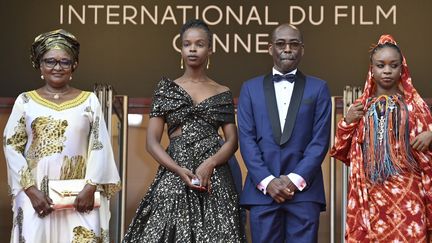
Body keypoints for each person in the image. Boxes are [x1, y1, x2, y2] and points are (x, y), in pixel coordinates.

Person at [122, 19, 245, 242]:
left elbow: (232, 141)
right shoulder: (166, 89)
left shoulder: (223, 91)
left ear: (210, 49)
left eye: (199, 44)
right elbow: (151, 142)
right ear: (181, 49)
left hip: (215, 176)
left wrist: (210, 163)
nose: (193, 49)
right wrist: (178, 170)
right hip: (175, 170)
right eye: (187, 44)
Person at [3, 29, 121, 242]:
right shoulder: (25, 101)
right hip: (36, 199)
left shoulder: (89, 101)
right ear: (40, 65)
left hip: (80, 199)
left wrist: (90, 187)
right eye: (50, 61)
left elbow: (100, 145)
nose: (57, 67)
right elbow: (11, 146)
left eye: (64, 62)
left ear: (74, 65)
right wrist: (30, 190)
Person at [330, 34, 432, 242]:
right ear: (372, 69)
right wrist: (347, 122)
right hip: (370, 192)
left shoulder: (416, 105)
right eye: (380, 65)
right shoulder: (361, 107)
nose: (387, 70)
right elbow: (340, 150)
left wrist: (431, 135)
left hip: (409, 191)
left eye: (393, 65)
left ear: (402, 69)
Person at [237, 23, 332, 242]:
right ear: (270, 48)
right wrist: (268, 181)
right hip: (262, 192)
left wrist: (294, 179)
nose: (287, 48)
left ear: (302, 49)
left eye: (293, 44)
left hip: (304, 192)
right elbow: (247, 140)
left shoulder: (319, 88)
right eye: (280, 44)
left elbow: (319, 142)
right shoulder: (250, 89)